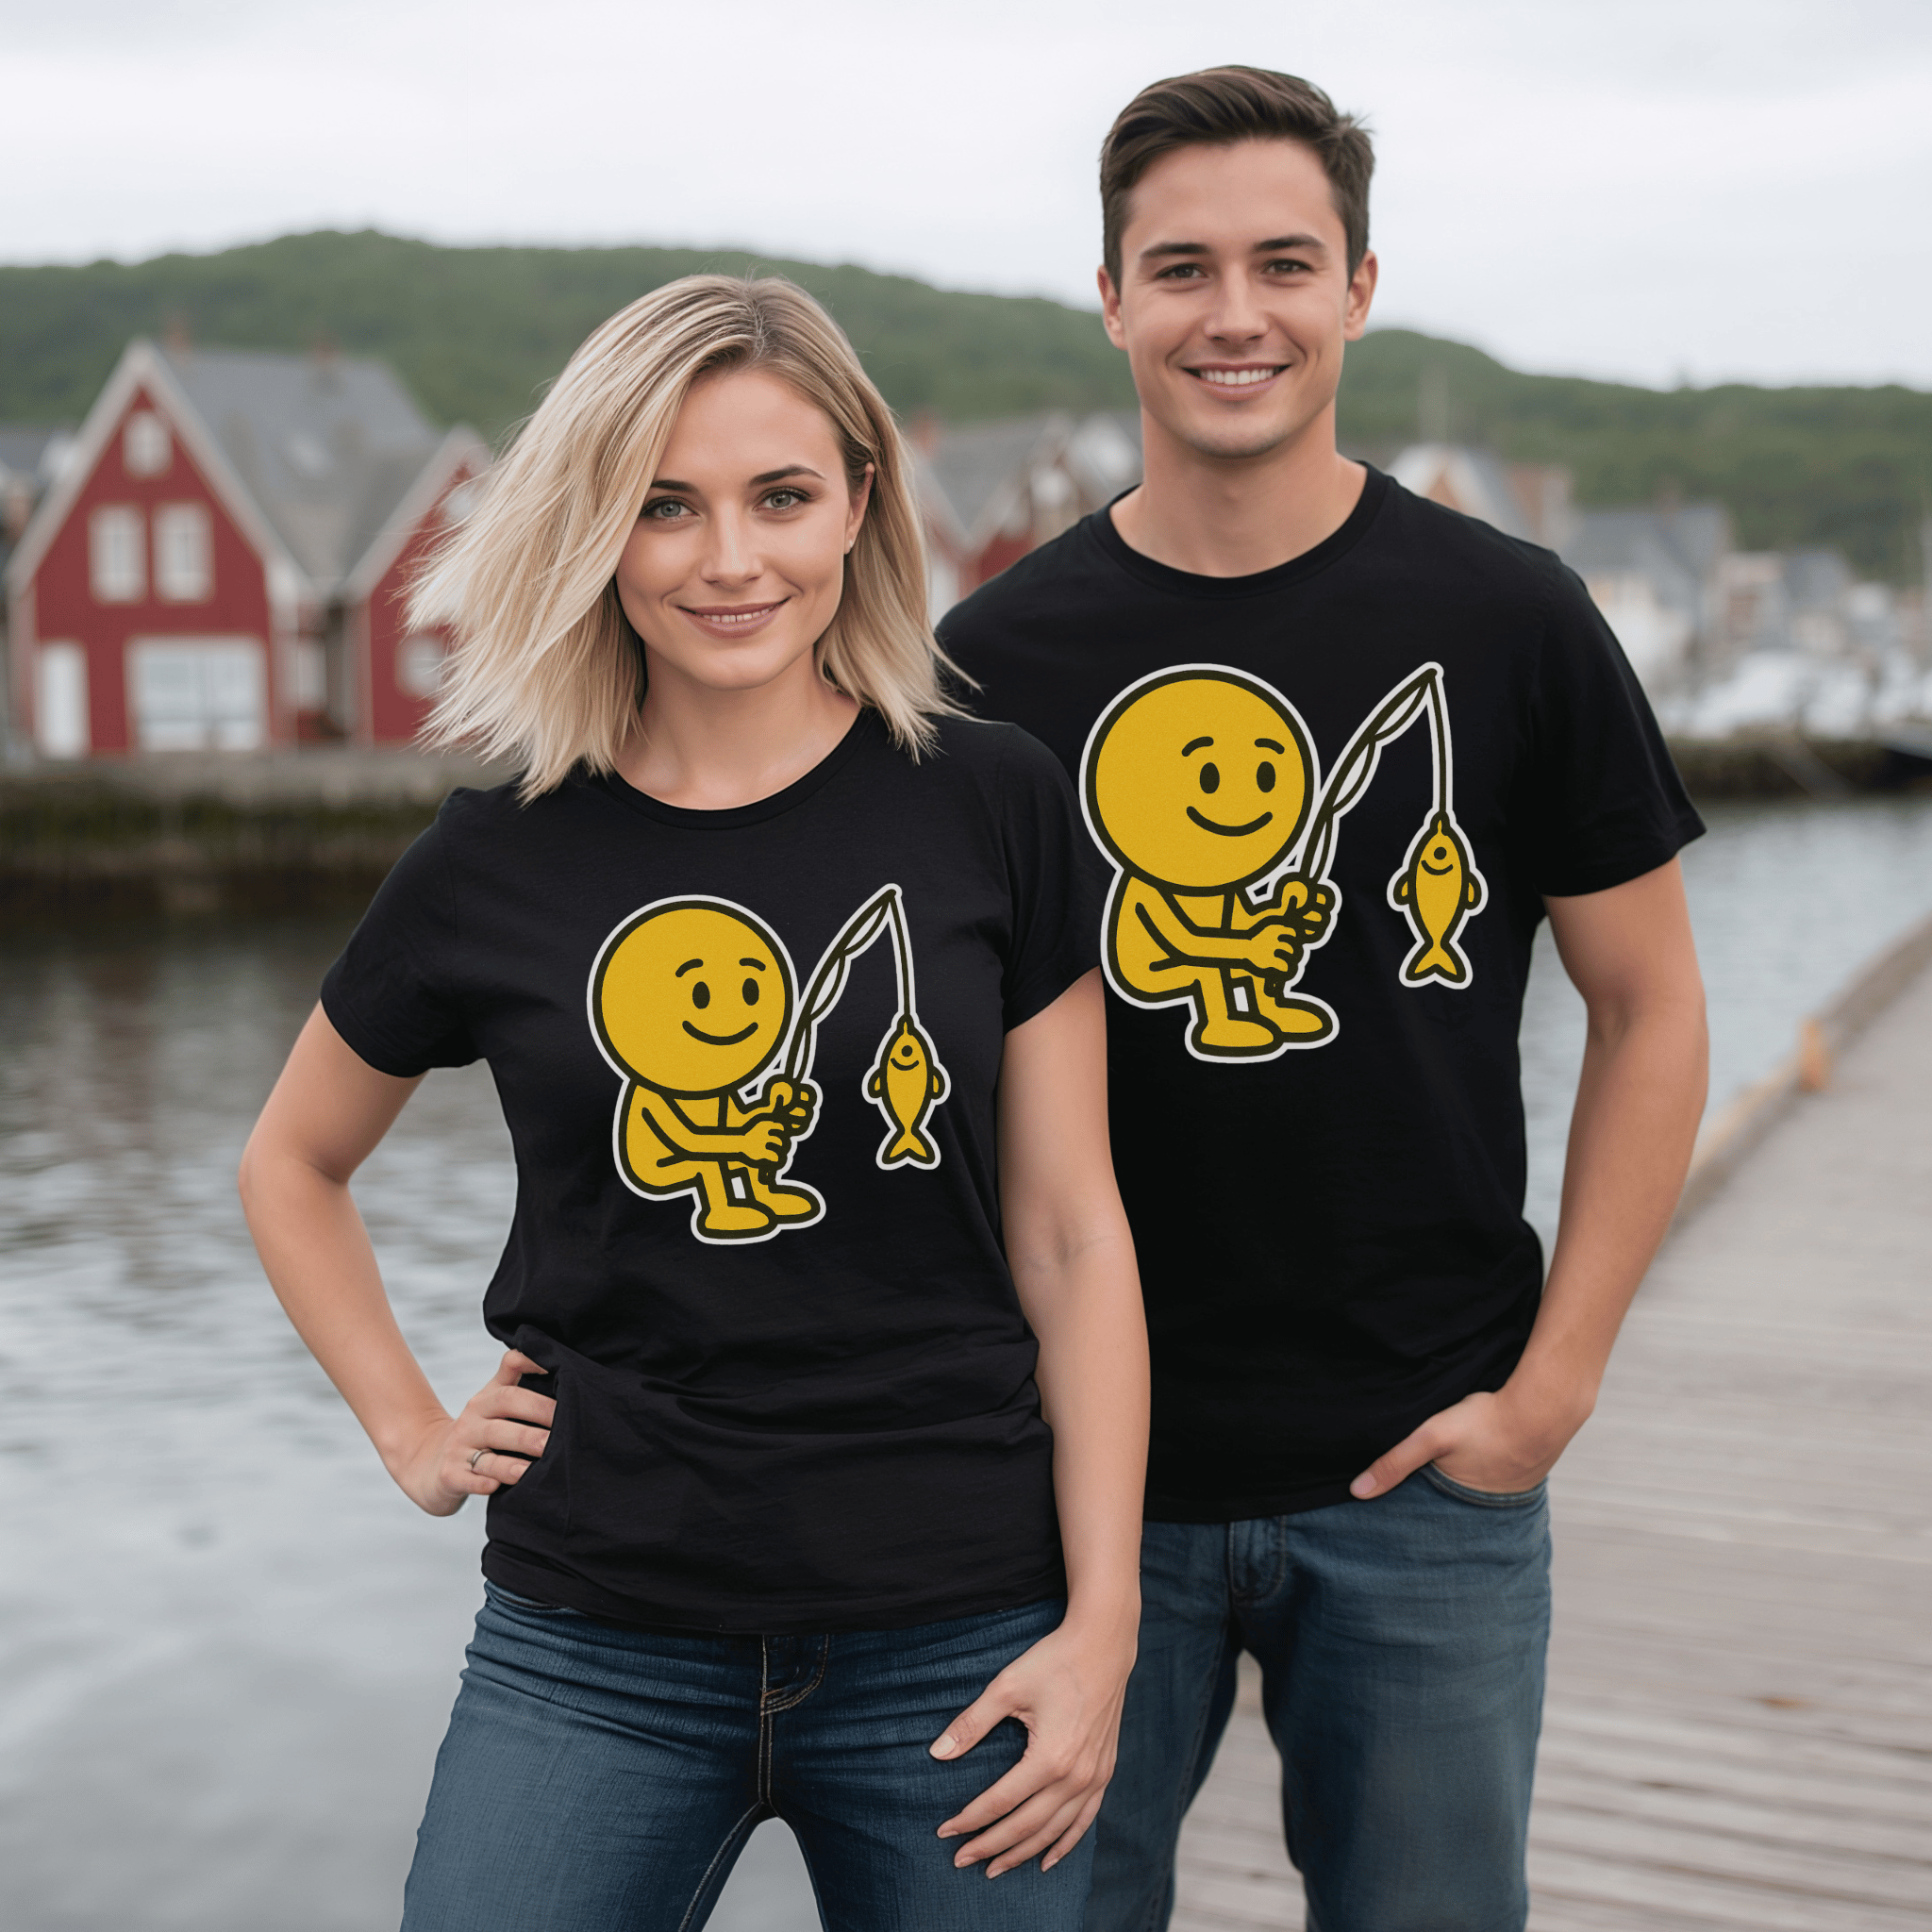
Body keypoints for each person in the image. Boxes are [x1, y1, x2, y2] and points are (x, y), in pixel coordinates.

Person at [237, 275, 1149, 1931]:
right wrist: (412, 1432)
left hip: (956, 1628)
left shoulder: (990, 803)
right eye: (665, 507)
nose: (731, 561)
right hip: (597, 1640)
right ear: (598, 527)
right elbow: (293, 1163)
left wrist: (1103, 1627)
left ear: (860, 504)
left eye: (780, 497)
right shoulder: (498, 854)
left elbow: (1076, 1234)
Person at [939, 66, 1709, 1932]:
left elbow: (1652, 1008)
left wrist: (1555, 1387)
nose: (1234, 313)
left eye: (1284, 262)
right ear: (1110, 298)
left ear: (1360, 287)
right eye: (1180, 266)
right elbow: (894, 1059)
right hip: (1067, 1496)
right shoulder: (984, 667)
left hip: (1422, 1474)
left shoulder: (1511, 619)